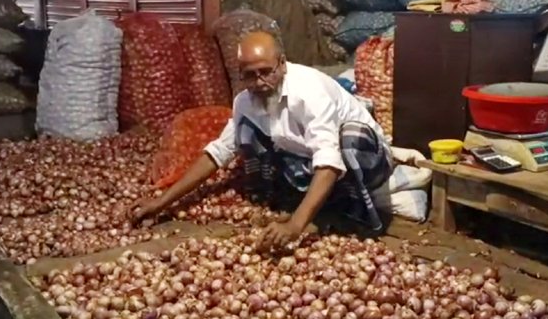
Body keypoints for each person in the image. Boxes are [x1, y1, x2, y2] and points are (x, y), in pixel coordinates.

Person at [132, 31, 393, 250]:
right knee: (246, 131)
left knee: (350, 141)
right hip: (305, 158)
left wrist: (295, 226)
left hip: (365, 158)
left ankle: (344, 215)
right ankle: (295, 204)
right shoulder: (245, 102)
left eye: (266, 72)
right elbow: (218, 153)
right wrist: (161, 202)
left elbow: (329, 162)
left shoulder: (310, 93)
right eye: (250, 75)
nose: (260, 82)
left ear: (282, 63)